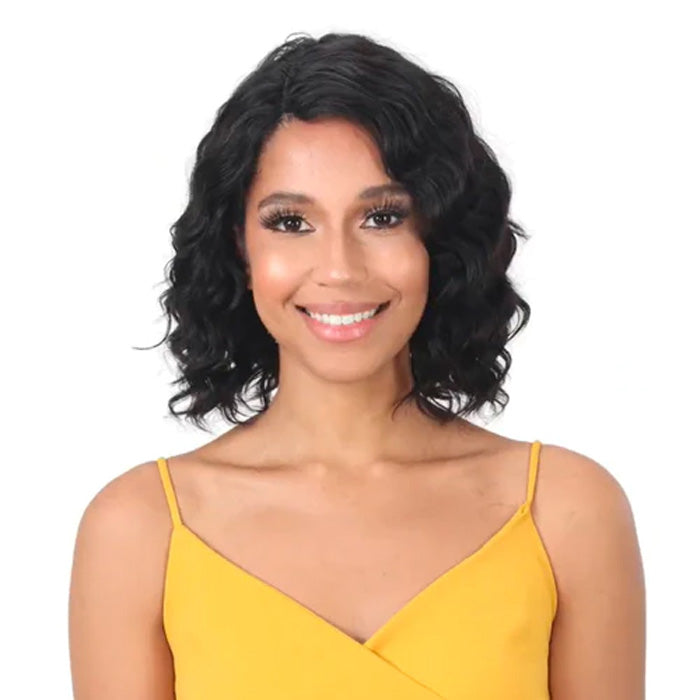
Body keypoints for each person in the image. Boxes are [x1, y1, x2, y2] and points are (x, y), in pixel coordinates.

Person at [68, 31, 645, 699]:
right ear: (240, 247)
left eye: (382, 217)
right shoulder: (139, 530)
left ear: (438, 238)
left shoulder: (565, 511)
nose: (339, 269)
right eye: (291, 222)